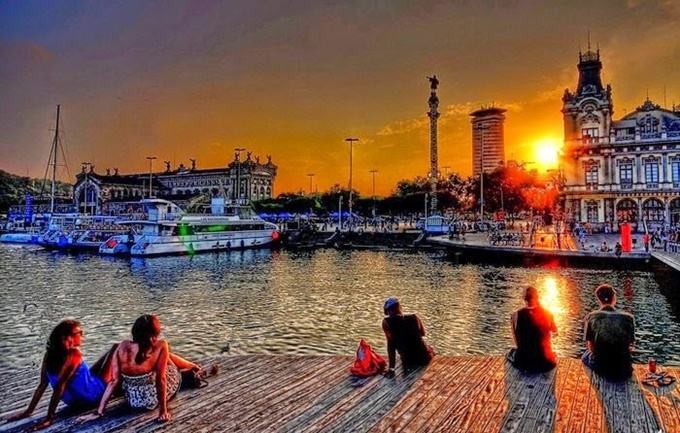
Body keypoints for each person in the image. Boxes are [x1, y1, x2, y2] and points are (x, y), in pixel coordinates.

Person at [77, 314, 211, 424]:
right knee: (166, 357)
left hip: (134, 402)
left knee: (163, 355)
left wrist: (99, 412)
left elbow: (113, 381)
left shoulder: (122, 346)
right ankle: (192, 369)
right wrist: (163, 411)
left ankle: (192, 368)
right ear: (154, 333)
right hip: (152, 400)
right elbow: (161, 380)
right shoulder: (160, 345)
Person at [8, 320, 118, 430]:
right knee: (116, 348)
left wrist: (29, 411)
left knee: (97, 365)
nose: (82, 336)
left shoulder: (49, 355)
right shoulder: (74, 354)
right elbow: (59, 388)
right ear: (68, 337)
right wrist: (49, 419)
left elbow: (42, 385)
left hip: (75, 401)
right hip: (92, 397)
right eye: (79, 333)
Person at [582, 284, 635, 381]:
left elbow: (591, 347)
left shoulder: (591, 317)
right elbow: (630, 346)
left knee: (585, 355)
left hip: (601, 367)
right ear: (614, 297)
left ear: (598, 300)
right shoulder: (628, 318)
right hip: (623, 368)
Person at [507, 286, 558, 372]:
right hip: (545, 362)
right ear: (537, 297)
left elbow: (517, 342)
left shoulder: (515, 315)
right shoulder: (548, 313)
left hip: (524, 361)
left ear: (523, 298)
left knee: (511, 353)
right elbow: (555, 332)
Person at [382, 298, 435, 377]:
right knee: (430, 348)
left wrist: (391, 369)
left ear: (387, 311)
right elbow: (423, 333)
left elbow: (391, 346)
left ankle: (392, 370)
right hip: (424, 358)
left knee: (394, 346)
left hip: (408, 360)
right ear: (400, 307)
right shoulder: (415, 317)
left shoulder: (386, 322)